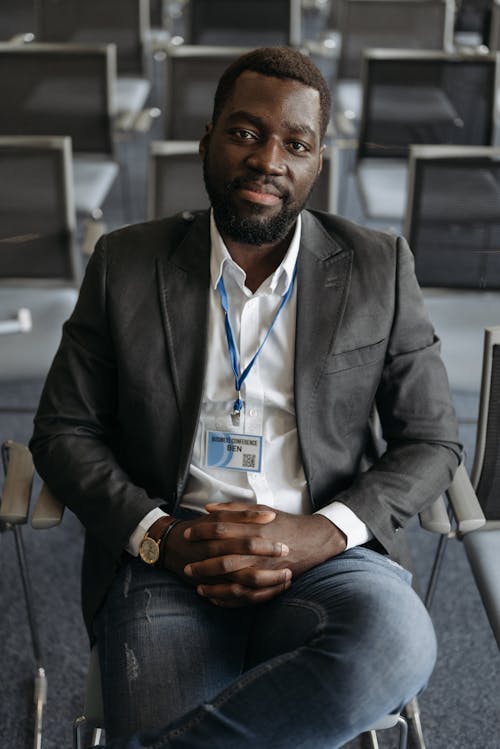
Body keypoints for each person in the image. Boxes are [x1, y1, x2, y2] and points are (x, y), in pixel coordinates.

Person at [30, 47, 462, 749]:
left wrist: (316, 535)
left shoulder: (379, 266)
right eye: (246, 132)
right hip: (171, 559)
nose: (269, 159)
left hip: (326, 552)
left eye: (296, 143)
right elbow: (62, 432)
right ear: (208, 141)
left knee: (397, 644)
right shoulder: (126, 262)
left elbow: (433, 439)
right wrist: (161, 535)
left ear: (319, 163)